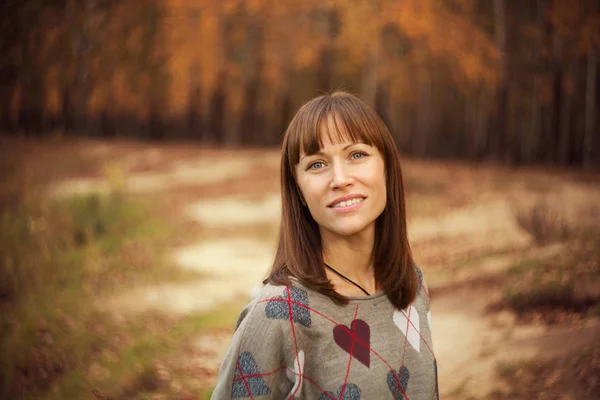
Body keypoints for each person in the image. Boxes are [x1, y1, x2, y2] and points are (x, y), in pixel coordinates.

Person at [211, 91, 438, 399]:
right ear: (300, 193)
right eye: (317, 164)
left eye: (357, 155)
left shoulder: (412, 286)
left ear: (387, 167)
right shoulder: (278, 314)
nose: (340, 179)